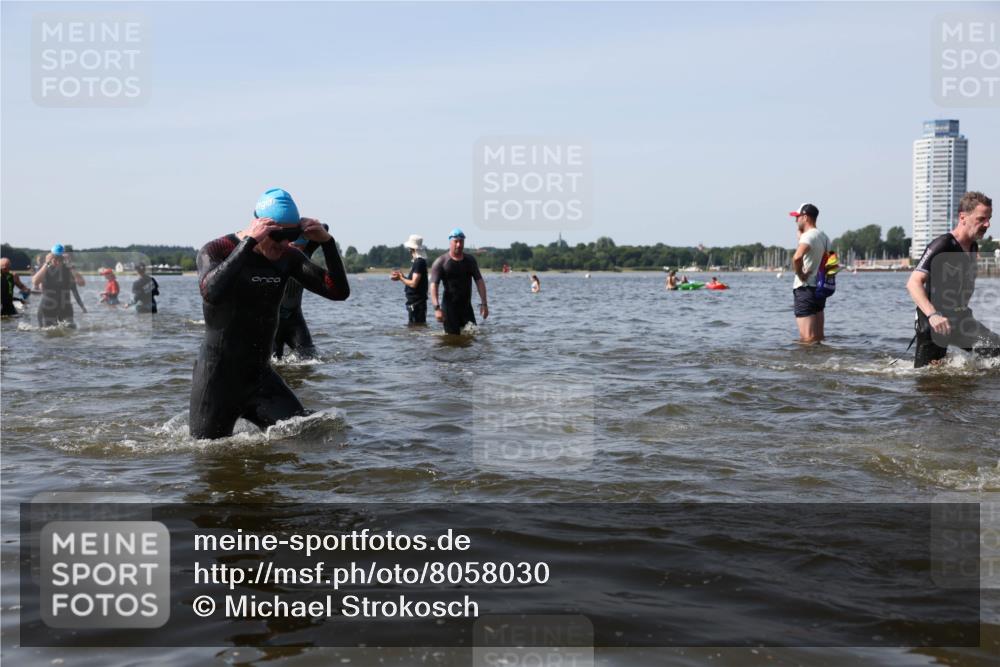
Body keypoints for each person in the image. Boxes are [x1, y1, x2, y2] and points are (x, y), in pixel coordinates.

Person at [188, 188, 350, 439]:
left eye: (292, 235)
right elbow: (211, 292)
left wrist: (327, 243)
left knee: (308, 436)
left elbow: (338, 291)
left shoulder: (288, 256)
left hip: (261, 378)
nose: (285, 244)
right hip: (217, 380)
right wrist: (247, 244)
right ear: (259, 226)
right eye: (277, 236)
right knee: (208, 456)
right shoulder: (217, 250)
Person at [906, 191, 999, 368]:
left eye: (989, 219)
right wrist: (933, 315)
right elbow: (913, 282)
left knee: (996, 351)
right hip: (935, 322)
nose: (987, 224)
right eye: (981, 219)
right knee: (928, 378)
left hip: (961, 318)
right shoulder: (943, 245)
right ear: (963, 217)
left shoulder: (973, 246)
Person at [273, 234, 324, 358]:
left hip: (294, 319)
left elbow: (324, 227)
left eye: (300, 246)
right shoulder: (272, 255)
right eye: (293, 245)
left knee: (309, 358)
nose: (296, 250)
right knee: (272, 361)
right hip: (273, 321)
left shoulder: (304, 255)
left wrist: (299, 228)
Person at [429, 228, 488, 334]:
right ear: (450, 242)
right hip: (449, 309)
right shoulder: (441, 262)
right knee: (452, 339)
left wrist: (484, 304)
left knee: (472, 337)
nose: (459, 245)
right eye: (456, 241)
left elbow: (479, 281)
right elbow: (433, 286)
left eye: (461, 241)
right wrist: (436, 308)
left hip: (467, 308)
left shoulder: (470, 260)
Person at [789, 203, 831, 343]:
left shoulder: (808, 237)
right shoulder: (824, 237)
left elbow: (797, 257)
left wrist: (800, 274)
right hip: (819, 290)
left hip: (805, 289)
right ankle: (820, 362)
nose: (796, 221)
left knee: (807, 338)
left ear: (805, 217)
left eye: (797, 217)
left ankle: (807, 364)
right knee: (818, 337)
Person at [32, 245, 87, 327]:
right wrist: (46, 263)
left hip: (65, 307)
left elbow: (82, 283)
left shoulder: (69, 268)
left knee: (70, 332)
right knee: (46, 335)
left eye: (60, 258)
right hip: (47, 307)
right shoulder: (45, 268)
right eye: (55, 258)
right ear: (51, 257)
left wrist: (71, 266)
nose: (57, 261)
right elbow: (35, 282)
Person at [390, 234, 429, 325]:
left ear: (413, 249)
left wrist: (400, 278)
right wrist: (402, 277)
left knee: (415, 328)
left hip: (417, 304)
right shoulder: (418, 262)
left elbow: (414, 283)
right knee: (416, 329)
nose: (409, 251)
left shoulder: (419, 262)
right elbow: (414, 282)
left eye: (409, 249)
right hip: (416, 303)